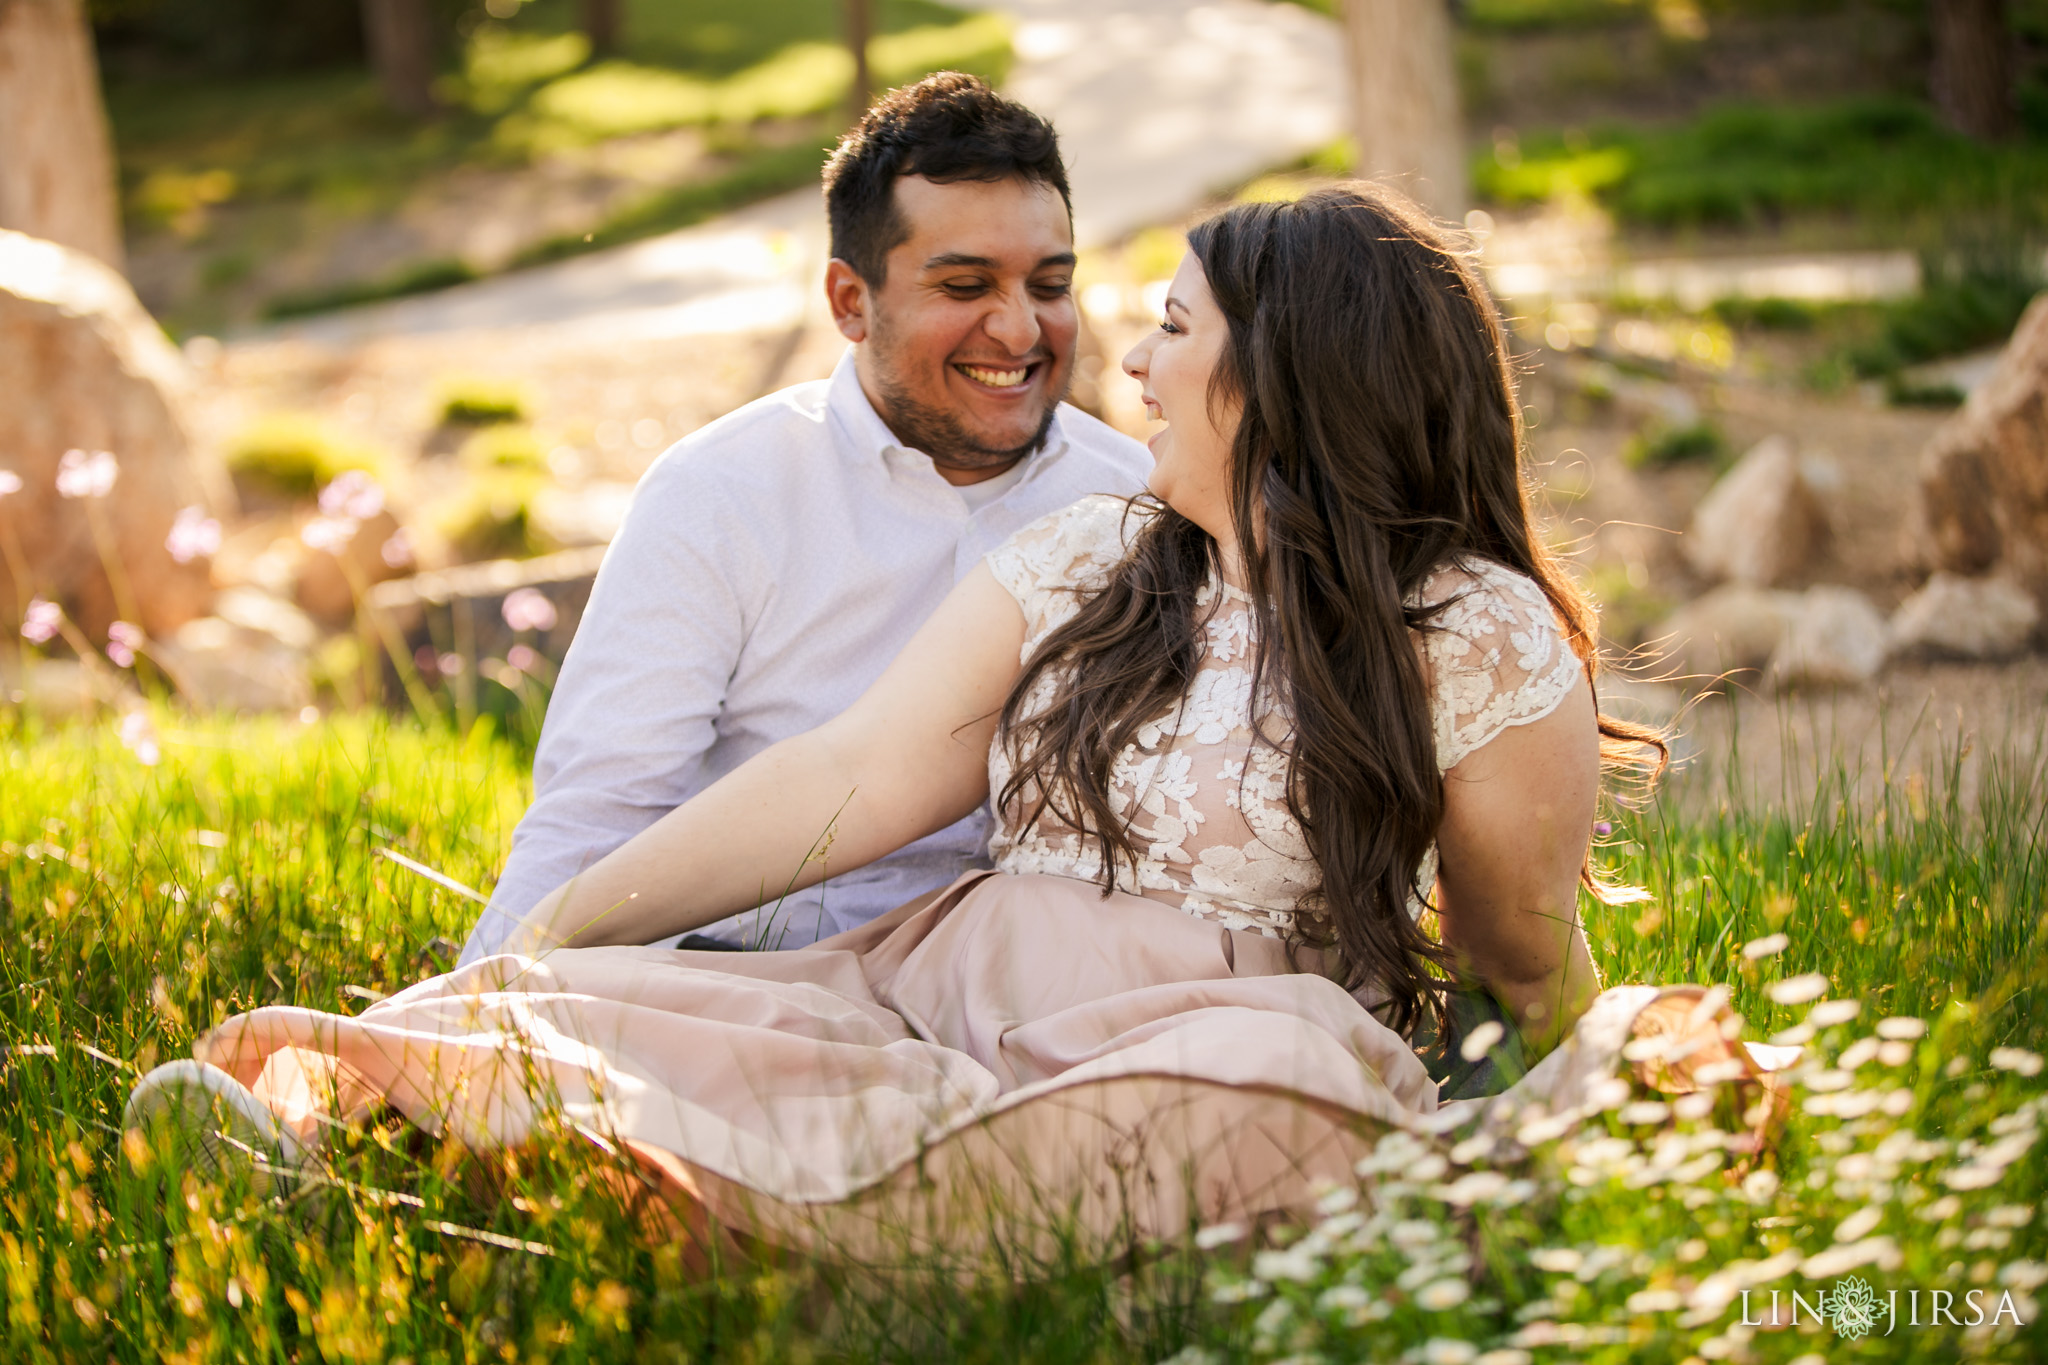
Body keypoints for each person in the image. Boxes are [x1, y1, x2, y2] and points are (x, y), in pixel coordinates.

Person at [129, 184, 1785, 1260]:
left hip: (1212, 1048)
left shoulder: (1469, 637)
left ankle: (666, 1219)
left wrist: (1622, 1088)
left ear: (1277, 380)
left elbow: (1517, 957)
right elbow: (846, 780)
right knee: (631, 1016)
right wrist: (558, 929)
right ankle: (345, 1158)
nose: (1119, 363)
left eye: (1172, 328)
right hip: (931, 1000)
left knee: (1291, 1075)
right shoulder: (1088, 559)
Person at [458, 73, 1152, 965]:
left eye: (1048, 285)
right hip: (742, 960)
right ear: (849, 301)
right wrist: (471, 1003)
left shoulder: (1136, 501)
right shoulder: (719, 492)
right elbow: (602, 811)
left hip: (1016, 976)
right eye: (965, 285)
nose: (1019, 331)